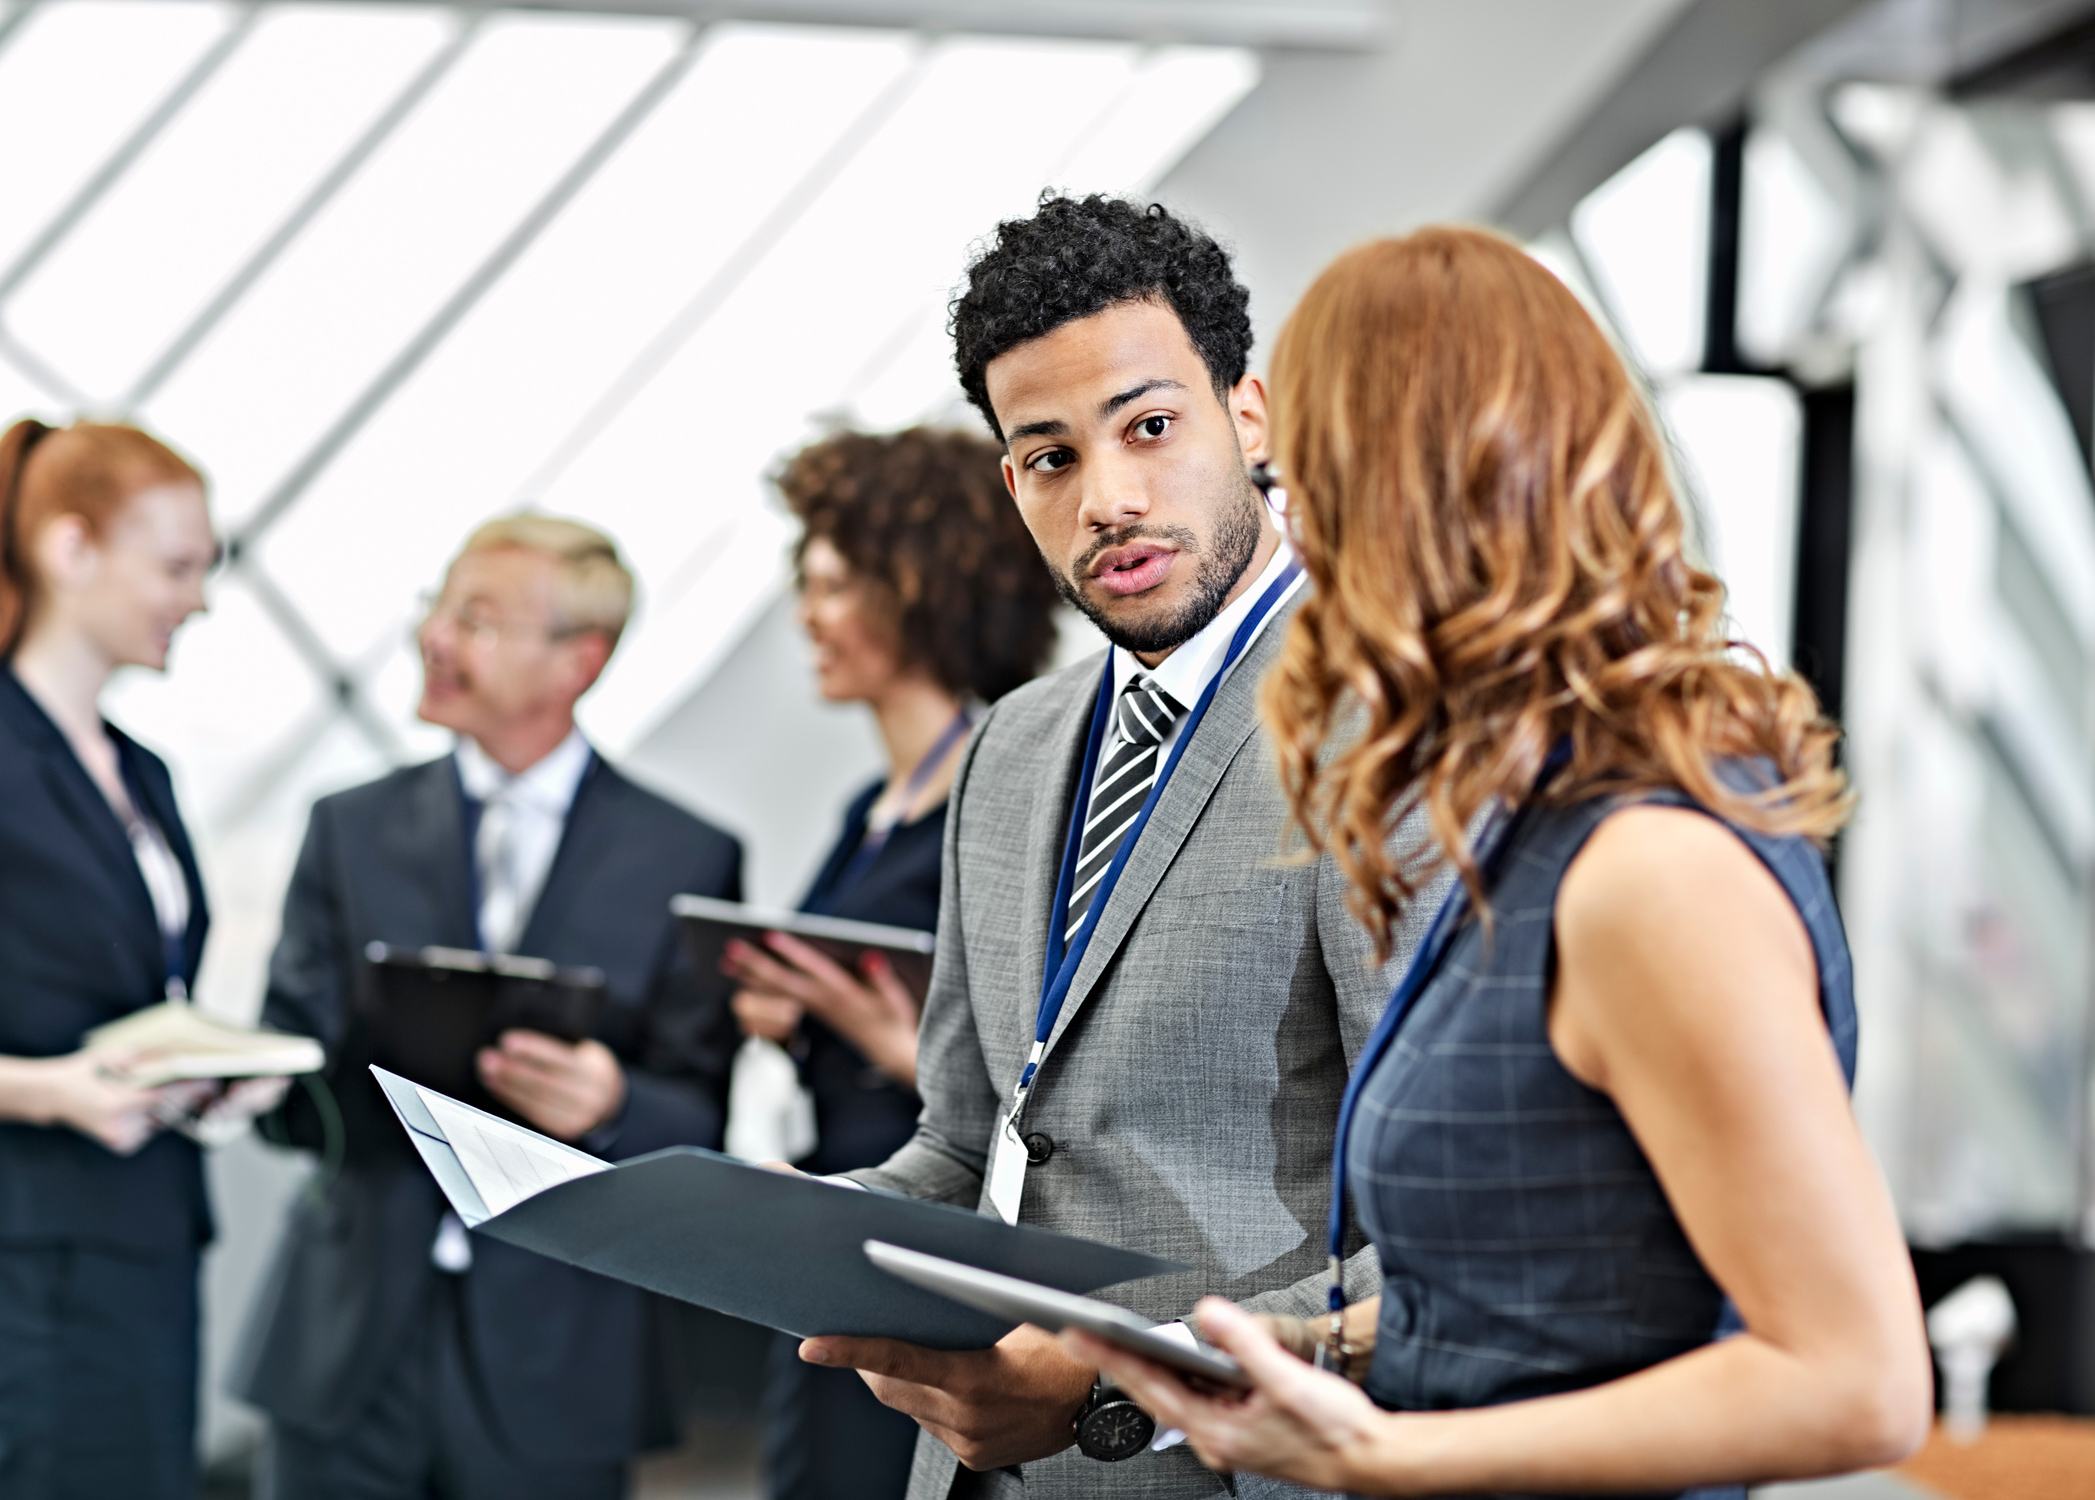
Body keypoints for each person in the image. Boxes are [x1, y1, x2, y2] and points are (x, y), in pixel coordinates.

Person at [1061, 227, 1931, 1498]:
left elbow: (1852, 1379)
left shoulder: (1646, 869)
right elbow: (1567, 1283)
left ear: (1417, 501)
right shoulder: (1544, 821)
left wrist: (1385, 1453)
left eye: (1313, 493)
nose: (1304, 551)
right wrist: (1311, 1347)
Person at [791, 193, 1440, 1500]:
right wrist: (771, 1228)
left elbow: (1445, 1243)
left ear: (1246, 417)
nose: (1110, 500)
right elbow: (966, 1145)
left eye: (1150, 427)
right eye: (1050, 458)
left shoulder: (1382, 730)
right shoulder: (1015, 749)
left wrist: (1115, 1392)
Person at [236, 515, 743, 1500]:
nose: (434, 638)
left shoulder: (686, 857)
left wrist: (609, 1106)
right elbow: (294, 1089)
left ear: (578, 663)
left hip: (559, 1356)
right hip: (346, 1344)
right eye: (438, 608)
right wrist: (263, 1075)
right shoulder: (346, 828)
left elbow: (699, 1117)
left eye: (476, 618)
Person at [0, 417, 243, 1500]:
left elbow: (134, 995)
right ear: (71, 552)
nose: (196, 598)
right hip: (48, 1264)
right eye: (175, 566)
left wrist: (199, 1075)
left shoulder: (144, 774)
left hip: (156, 1237)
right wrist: (54, 1093)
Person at [722, 425, 1058, 1500]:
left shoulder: (1008, 795)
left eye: (832, 586)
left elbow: (1050, 1072)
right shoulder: (867, 810)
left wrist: (881, 1037)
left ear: (918, 591)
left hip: (939, 1225)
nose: (809, 617)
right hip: (848, 1206)